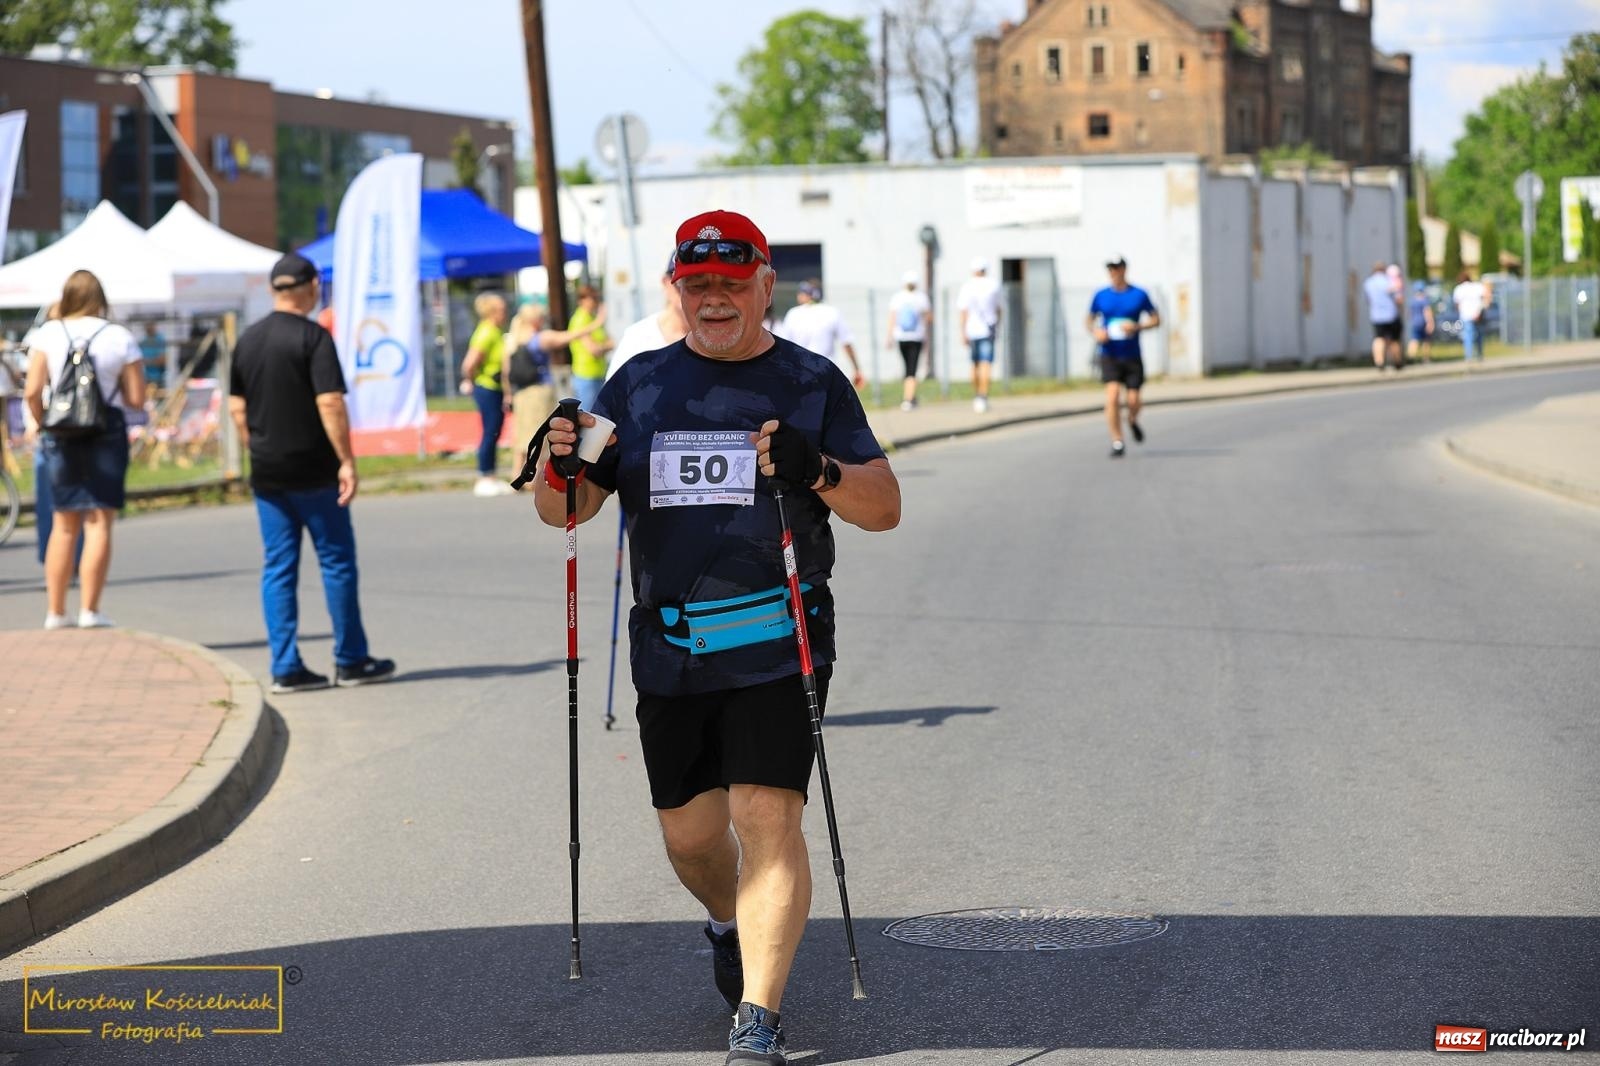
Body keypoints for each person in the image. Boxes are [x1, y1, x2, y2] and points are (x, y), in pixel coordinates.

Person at [532, 209, 900, 1066]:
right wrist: (560, 464)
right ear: (677, 290)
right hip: (671, 644)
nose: (714, 299)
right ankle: (727, 923)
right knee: (691, 837)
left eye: (732, 284)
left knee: (766, 814)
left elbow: (883, 506)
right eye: (697, 285)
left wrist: (820, 469)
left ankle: (759, 1020)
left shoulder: (812, 382)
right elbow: (566, 512)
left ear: (765, 285)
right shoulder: (636, 385)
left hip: (781, 635)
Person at [228, 252, 395, 694]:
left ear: (273, 290)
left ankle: (285, 667)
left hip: (268, 473)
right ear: (311, 288)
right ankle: (351, 659)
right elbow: (330, 402)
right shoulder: (314, 338)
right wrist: (347, 460)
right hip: (315, 470)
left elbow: (236, 407)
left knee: (278, 568)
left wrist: (257, 448)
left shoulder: (248, 340)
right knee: (337, 563)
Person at [22, 271, 146, 629]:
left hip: (61, 434)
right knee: (99, 521)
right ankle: (91, 610)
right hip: (106, 432)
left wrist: (44, 420)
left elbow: (32, 391)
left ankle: (55, 611)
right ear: (100, 297)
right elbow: (136, 398)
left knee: (63, 523)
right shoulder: (118, 336)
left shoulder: (49, 332)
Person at [1086, 256, 1160, 458]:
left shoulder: (1139, 294)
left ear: (1124, 269)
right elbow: (1089, 320)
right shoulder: (1101, 295)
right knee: (1112, 398)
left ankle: (1132, 420)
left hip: (1132, 354)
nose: (1113, 272)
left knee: (1134, 400)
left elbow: (1156, 319)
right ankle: (1117, 440)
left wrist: (1137, 326)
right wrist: (1096, 332)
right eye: (1110, 269)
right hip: (1109, 354)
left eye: (1116, 268)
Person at [506, 300, 604, 454]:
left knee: (522, 442)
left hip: (520, 393)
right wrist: (597, 323)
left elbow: (506, 370)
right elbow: (569, 336)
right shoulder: (540, 338)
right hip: (539, 392)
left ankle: (519, 476)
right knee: (541, 442)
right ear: (536, 320)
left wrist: (508, 394)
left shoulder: (514, 339)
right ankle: (536, 478)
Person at [605, 256, 689, 383]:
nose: (685, 290)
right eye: (679, 281)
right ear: (665, 283)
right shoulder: (638, 337)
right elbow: (612, 397)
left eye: (697, 283)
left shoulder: (714, 337)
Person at [461, 292, 513, 497]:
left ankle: (490, 474)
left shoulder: (496, 331)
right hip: (487, 387)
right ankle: (484, 475)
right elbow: (470, 362)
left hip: (496, 387)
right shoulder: (486, 332)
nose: (505, 312)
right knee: (490, 431)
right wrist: (470, 380)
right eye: (501, 309)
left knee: (495, 430)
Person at [779, 279, 864, 388]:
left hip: (800, 373)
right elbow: (846, 342)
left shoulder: (793, 314)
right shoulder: (831, 312)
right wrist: (857, 369)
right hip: (826, 372)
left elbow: (784, 347)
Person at [955, 257, 1002, 412]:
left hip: (972, 330)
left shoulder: (967, 287)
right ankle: (983, 395)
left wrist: (962, 332)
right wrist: (998, 325)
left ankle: (977, 394)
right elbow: (999, 308)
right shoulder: (993, 285)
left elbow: (963, 311)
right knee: (986, 363)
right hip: (988, 329)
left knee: (974, 364)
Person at [885, 270, 931, 411]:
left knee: (907, 367)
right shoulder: (921, 298)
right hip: (916, 337)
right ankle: (908, 399)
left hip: (901, 337)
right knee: (912, 368)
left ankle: (910, 395)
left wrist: (889, 337)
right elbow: (929, 318)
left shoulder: (897, 298)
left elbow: (892, 318)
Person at [568, 285, 614, 412]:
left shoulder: (593, 319)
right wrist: (605, 346)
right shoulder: (580, 319)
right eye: (591, 298)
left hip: (598, 374)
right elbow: (594, 350)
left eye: (596, 298)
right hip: (586, 376)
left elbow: (610, 342)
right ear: (581, 300)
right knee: (589, 415)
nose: (594, 301)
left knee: (599, 415)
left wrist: (603, 346)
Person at [1363, 261, 1403, 371]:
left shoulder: (1368, 283)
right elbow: (1398, 298)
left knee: (1378, 338)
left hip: (1376, 315)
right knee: (1394, 340)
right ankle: (1397, 362)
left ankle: (1379, 362)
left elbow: (1368, 300)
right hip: (1391, 315)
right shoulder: (1388, 281)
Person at [1452, 270, 1490, 363]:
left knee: (1468, 336)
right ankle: (1480, 355)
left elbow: (1456, 303)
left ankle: (1469, 357)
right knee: (1479, 336)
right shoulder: (1477, 286)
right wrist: (1482, 308)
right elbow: (1487, 295)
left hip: (1466, 315)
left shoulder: (1459, 289)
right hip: (1478, 314)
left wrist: (1460, 310)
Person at [1407, 280, 1435, 364]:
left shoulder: (1412, 300)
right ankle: (1426, 358)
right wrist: (1430, 322)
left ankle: (1411, 357)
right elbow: (1427, 312)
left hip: (1415, 323)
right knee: (1426, 341)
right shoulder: (1424, 300)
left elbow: (1409, 313)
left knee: (1414, 340)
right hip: (1423, 322)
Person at [138, 321, 168, 390]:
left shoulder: (160, 340)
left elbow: (162, 360)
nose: (149, 328)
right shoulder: (143, 341)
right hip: (145, 379)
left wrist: (146, 361)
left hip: (158, 379)